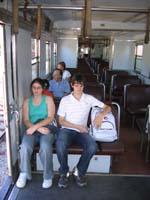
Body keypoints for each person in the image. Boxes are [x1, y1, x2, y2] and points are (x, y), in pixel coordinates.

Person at [56, 73, 111, 188]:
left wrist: (100, 115)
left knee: (92, 146)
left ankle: (79, 171)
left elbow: (108, 107)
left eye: (81, 86)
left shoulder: (89, 98)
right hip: (67, 129)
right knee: (60, 144)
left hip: (82, 131)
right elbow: (61, 121)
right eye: (76, 85)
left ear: (83, 86)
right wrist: (78, 127)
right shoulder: (65, 100)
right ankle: (64, 172)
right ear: (72, 85)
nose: (79, 88)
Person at [16, 78, 55, 189]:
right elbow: (26, 120)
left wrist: (38, 127)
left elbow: (50, 117)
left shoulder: (48, 99)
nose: (36, 90)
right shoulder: (27, 101)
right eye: (34, 88)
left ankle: (47, 176)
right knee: (24, 146)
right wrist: (36, 128)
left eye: (38, 88)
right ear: (31, 89)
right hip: (31, 128)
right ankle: (23, 173)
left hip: (46, 128)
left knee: (46, 147)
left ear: (43, 89)